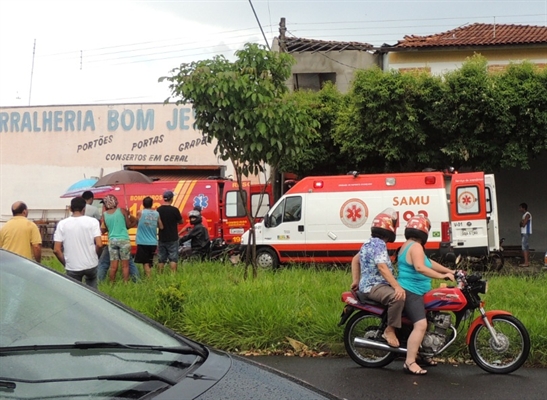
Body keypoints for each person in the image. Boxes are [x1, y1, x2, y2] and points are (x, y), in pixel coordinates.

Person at [397, 214, 455, 375]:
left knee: (428, 321)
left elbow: (428, 263)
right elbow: (420, 268)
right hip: (411, 291)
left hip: (417, 290)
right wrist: (442, 276)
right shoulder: (415, 247)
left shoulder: (410, 245)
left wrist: (450, 271)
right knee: (421, 325)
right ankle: (409, 362)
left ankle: (423, 353)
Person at [350, 208, 405, 348]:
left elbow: (355, 260)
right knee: (397, 297)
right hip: (374, 286)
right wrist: (397, 286)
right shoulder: (379, 244)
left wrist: (356, 280)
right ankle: (390, 330)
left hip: (370, 285)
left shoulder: (368, 243)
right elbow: (382, 267)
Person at [53, 197, 102, 288]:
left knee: (75, 292)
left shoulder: (62, 224)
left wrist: (66, 263)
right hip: (91, 264)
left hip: (72, 266)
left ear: (70, 209)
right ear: (84, 209)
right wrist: (96, 257)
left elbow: (56, 250)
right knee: (93, 293)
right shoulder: (93, 222)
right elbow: (99, 244)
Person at [101, 194, 135, 283]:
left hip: (112, 241)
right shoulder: (122, 210)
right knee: (125, 266)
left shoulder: (104, 215)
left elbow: (107, 228)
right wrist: (130, 217)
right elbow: (127, 225)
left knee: (113, 266)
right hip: (123, 240)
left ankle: (112, 283)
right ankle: (126, 284)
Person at [135, 196, 163, 278]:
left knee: (145, 262)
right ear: (152, 204)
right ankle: (150, 277)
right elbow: (161, 226)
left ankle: (149, 279)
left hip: (142, 241)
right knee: (149, 261)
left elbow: (136, 222)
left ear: (143, 204)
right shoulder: (157, 213)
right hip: (153, 241)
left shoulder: (140, 212)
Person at [157, 190, 183, 272]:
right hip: (173, 237)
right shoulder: (174, 210)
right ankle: (173, 275)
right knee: (173, 258)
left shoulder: (159, 209)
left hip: (162, 237)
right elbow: (181, 221)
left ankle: (160, 274)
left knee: (161, 258)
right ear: (171, 199)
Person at [518, 203, 532, 267]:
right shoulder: (524, 215)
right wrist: (521, 222)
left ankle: (526, 262)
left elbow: (523, 224)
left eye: (520, 208)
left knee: (524, 247)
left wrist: (522, 222)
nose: (519, 209)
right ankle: (527, 262)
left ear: (523, 208)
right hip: (523, 232)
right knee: (526, 246)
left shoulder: (527, 214)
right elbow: (520, 224)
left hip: (526, 232)